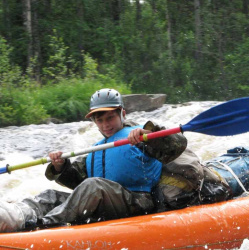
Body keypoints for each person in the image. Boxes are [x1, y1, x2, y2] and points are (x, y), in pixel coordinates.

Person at [0, 88, 187, 232]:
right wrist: (60, 166)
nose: (105, 125)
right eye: (99, 120)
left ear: (122, 113)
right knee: (51, 195)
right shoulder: (97, 148)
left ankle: (44, 226)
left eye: (110, 118)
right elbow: (78, 182)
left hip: (138, 203)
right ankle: (18, 216)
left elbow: (177, 144)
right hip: (105, 203)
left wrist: (151, 135)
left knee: (93, 186)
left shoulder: (142, 135)